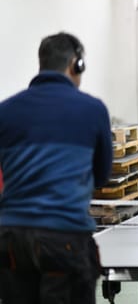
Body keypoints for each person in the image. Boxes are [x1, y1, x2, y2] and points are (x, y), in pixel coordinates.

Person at [0, 32, 113, 304]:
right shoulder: (93, 109)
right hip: (64, 237)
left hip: (11, 240)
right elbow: (102, 175)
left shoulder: (5, 111)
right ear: (76, 65)